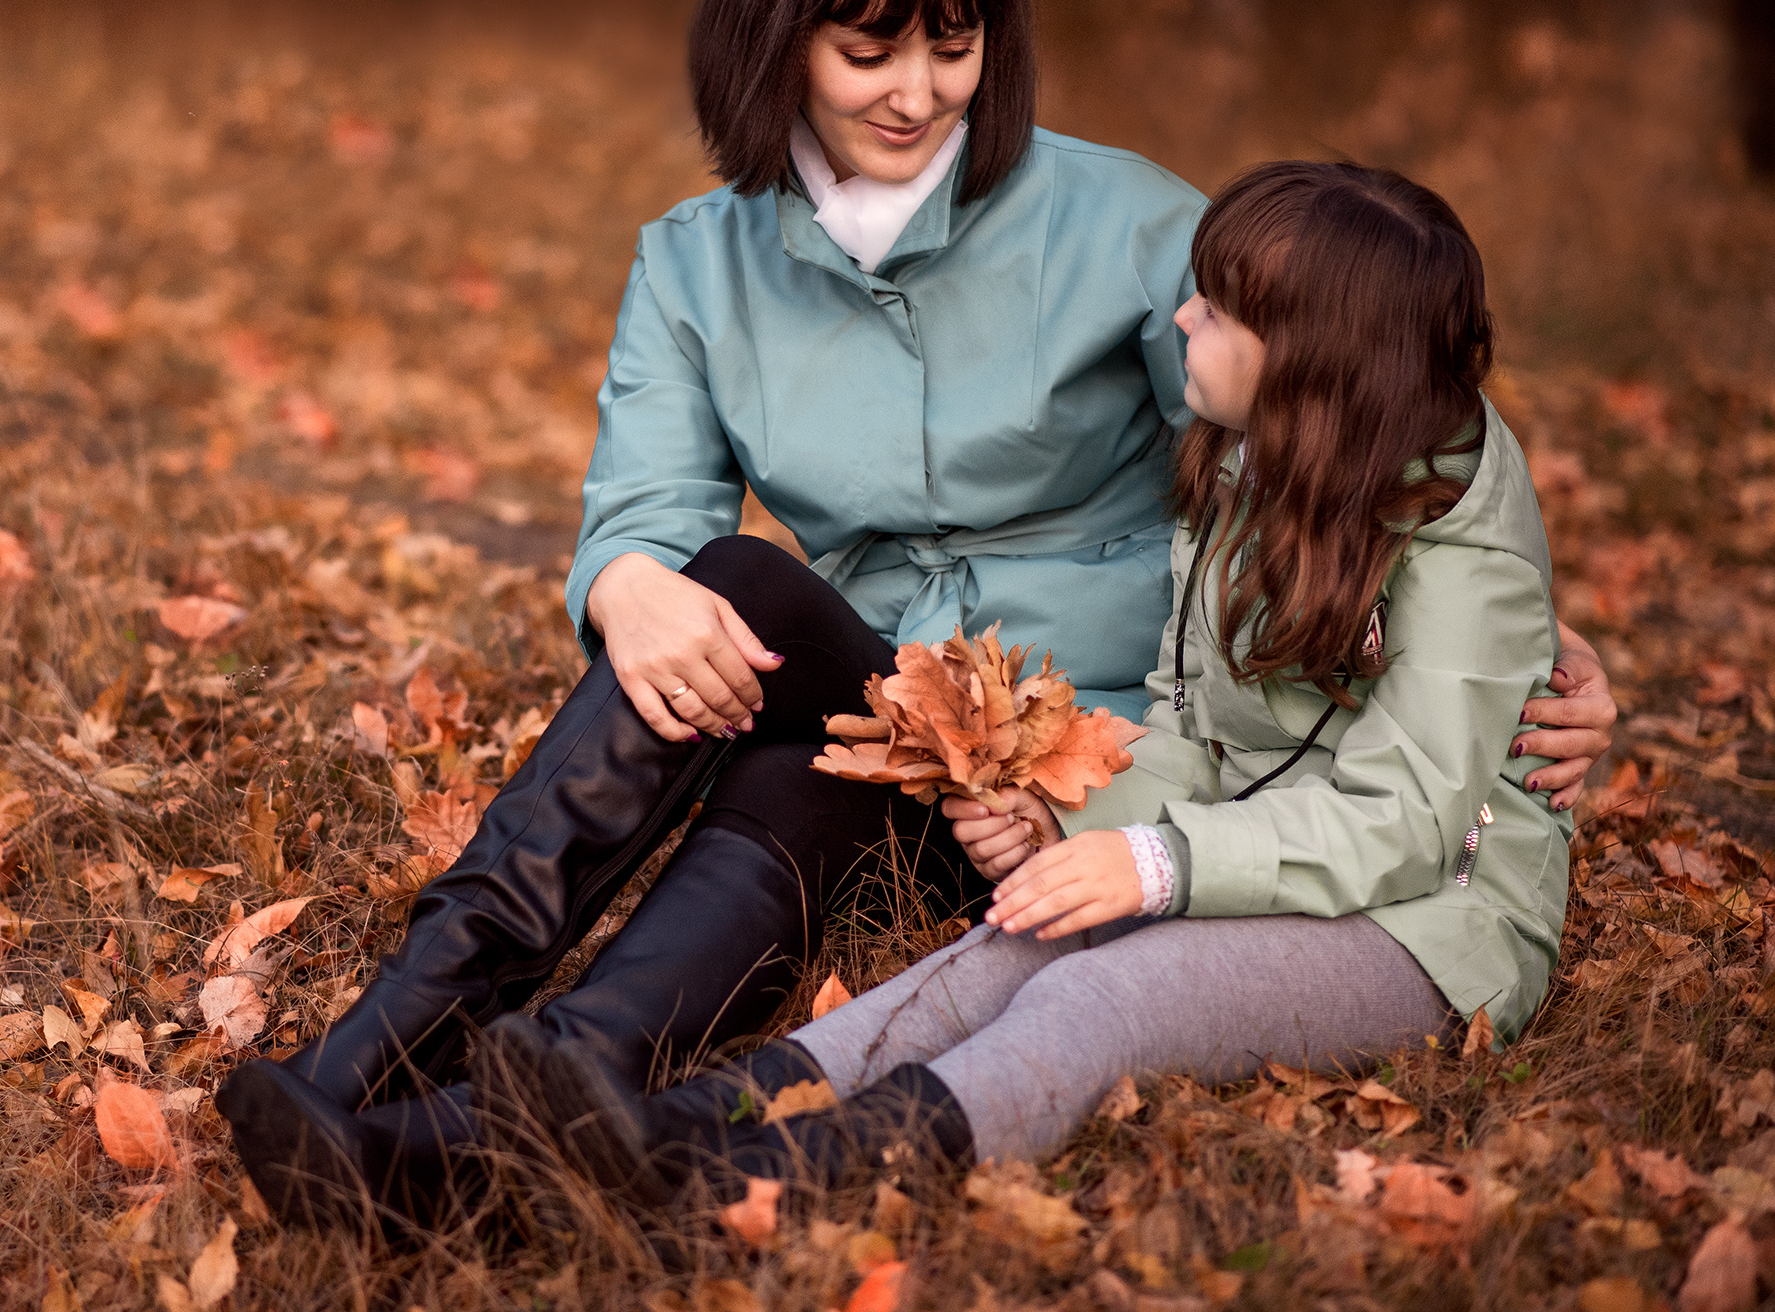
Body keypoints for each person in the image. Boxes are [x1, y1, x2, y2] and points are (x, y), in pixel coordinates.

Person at [216, 0, 1613, 1230]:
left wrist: (1516, 660)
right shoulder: (697, 261)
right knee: (734, 589)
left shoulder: (1125, 222)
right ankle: (393, 1050)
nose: (920, 91)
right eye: (870, 49)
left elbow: (1337, 406)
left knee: (802, 776)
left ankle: (565, 1087)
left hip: (1096, 757)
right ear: (778, 38)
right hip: (899, 702)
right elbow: (648, 505)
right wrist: (625, 580)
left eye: (955, 45)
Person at [491, 160, 1582, 1210]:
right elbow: (1194, 729)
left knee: (1097, 992)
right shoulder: (1245, 458)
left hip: (1435, 917)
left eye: (1217, 308)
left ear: (1310, 359)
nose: (1181, 318)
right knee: (1007, 940)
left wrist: (1147, 863)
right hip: (1268, 842)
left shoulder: (1455, 536)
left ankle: (757, 1179)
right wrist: (1061, 813)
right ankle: (682, 1122)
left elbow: (1407, 817)